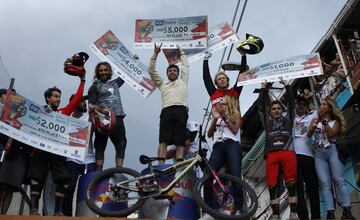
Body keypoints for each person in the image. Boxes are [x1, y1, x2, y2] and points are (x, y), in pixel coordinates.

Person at [29, 72, 86, 216]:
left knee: (64, 178)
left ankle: (57, 212)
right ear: (48, 98)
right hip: (40, 150)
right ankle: (34, 210)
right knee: (36, 177)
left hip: (57, 151)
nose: (58, 99)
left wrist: (82, 80)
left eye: (59, 97)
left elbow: (77, 99)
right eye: (55, 96)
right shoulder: (38, 111)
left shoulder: (63, 112)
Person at [256, 79, 298, 220]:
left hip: (288, 152)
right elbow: (260, 107)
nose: (276, 110)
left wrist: (287, 86)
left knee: (291, 181)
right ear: (271, 111)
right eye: (273, 109)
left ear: (282, 110)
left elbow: (292, 104)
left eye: (278, 108)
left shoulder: (289, 119)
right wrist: (263, 90)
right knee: (272, 183)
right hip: (272, 154)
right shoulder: (267, 121)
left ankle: (293, 213)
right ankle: (275, 215)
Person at [307, 98, 355, 219]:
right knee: (324, 183)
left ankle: (347, 209)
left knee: (339, 179)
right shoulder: (315, 119)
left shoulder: (336, 121)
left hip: (332, 150)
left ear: (329, 108)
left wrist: (324, 122)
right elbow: (309, 134)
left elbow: (331, 134)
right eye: (321, 105)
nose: (321, 106)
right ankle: (330, 212)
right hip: (319, 153)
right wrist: (315, 123)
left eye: (324, 105)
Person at [148, 43, 189, 164]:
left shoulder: (182, 81)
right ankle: (161, 165)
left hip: (181, 111)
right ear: (167, 73)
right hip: (167, 111)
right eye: (170, 70)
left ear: (178, 73)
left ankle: (179, 165)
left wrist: (180, 50)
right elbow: (151, 70)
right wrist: (155, 53)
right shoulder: (162, 84)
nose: (172, 72)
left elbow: (185, 65)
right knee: (163, 140)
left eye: (174, 70)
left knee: (180, 140)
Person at [88, 61, 127, 170]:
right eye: (101, 70)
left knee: (121, 142)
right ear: (97, 72)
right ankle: (99, 170)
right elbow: (91, 106)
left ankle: (119, 169)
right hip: (102, 119)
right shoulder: (94, 87)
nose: (103, 72)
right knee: (100, 144)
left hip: (117, 117)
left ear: (109, 71)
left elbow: (126, 74)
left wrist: (135, 60)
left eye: (105, 70)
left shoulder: (115, 83)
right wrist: (103, 110)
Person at [63, 95, 96, 216]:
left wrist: (92, 114)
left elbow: (92, 128)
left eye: (84, 101)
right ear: (73, 102)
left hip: (89, 159)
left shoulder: (87, 116)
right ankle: (66, 215)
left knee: (87, 190)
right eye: (81, 101)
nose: (84, 103)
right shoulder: (65, 117)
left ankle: (84, 216)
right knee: (69, 188)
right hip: (71, 158)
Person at [293, 96, 320, 219]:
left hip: (309, 156)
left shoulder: (311, 116)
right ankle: (303, 217)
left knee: (312, 188)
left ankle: (316, 216)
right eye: (299, 103)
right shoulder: (290, 117)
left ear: (307, 106)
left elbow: (322, 107)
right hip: (294, 157)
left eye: (304, 103)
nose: (301, 105)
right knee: (298, 189)